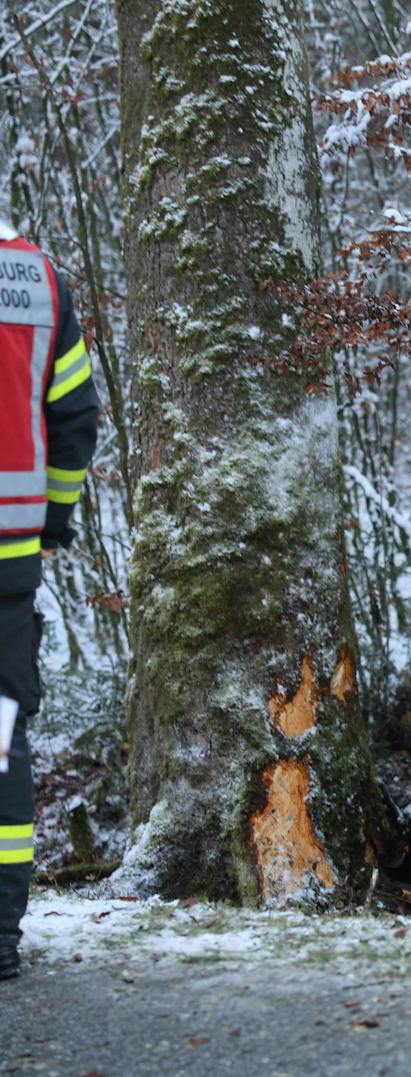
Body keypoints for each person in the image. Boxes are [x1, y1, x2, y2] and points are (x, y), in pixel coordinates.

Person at [0, 220, 99, 980]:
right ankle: (0, 933)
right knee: (0, 735)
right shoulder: (40, 281)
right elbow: (74, 416)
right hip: (9, 554)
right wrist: (52, 518)